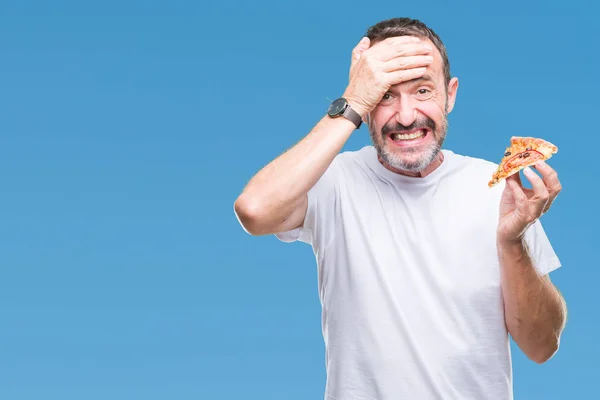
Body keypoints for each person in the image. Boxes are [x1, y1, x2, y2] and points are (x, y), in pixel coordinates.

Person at [233, 17, 567, 400]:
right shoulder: (333, 181)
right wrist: (353, 101)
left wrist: (512, 243)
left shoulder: (497, 190)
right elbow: (254, 210)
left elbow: (542, 346)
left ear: (450, 94)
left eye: (423, 90)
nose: (406, 116)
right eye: (385, 95)